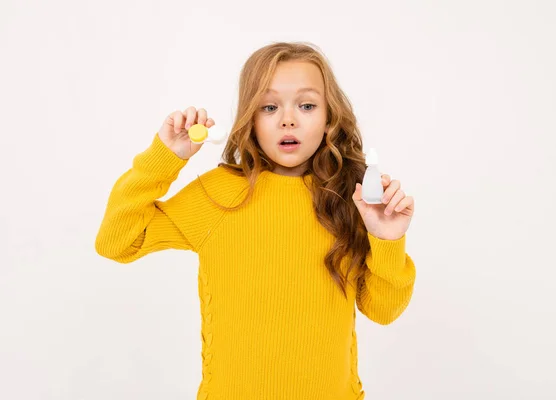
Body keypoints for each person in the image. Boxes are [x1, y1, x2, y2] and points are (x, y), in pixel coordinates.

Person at [95, 41, 416, 400]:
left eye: (307, 105)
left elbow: (383, 310)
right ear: (251, 117)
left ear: (329, 118)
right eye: (269, 106)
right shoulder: (218, 194)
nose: (288, 119)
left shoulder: (352, 199)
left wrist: (387, 239)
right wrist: (164, 157)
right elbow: (117, 242)